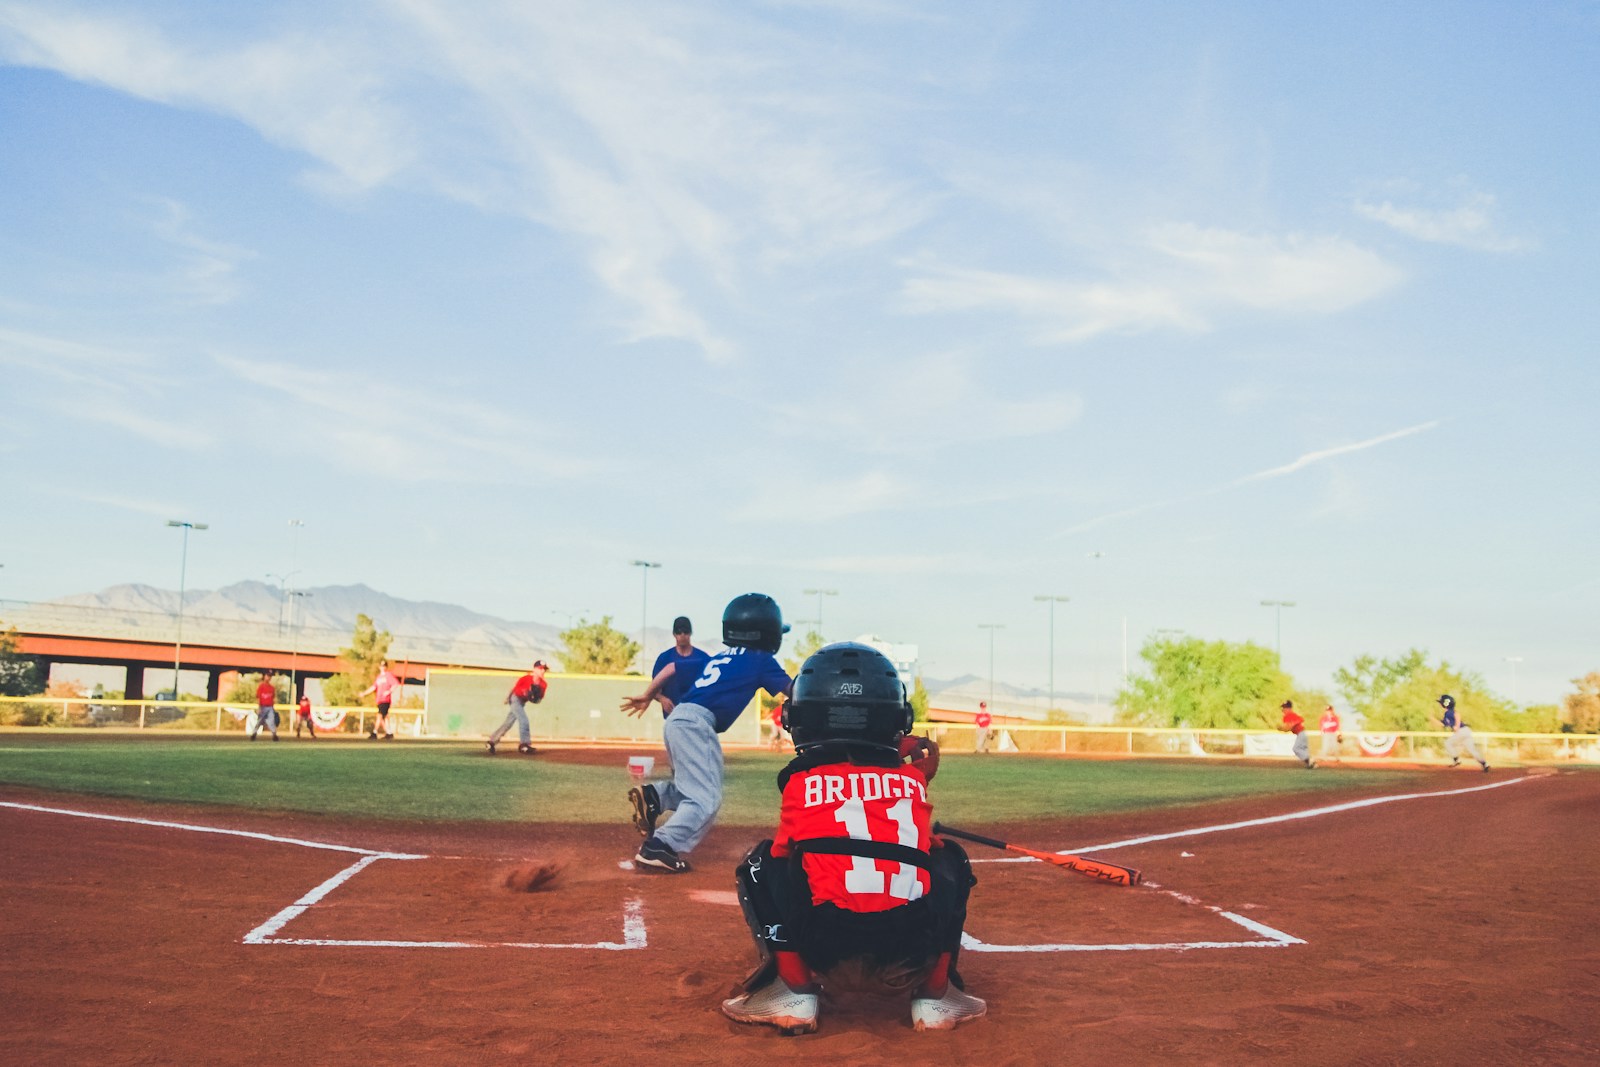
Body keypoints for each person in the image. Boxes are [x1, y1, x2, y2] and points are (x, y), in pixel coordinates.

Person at [720, 642, 985, 1035]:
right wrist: (909, 772)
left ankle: (794, 991)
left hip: (823, 950)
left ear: (803, 718)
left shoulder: (798, 782)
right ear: (897, 719)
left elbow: (784, 851)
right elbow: (907, 824)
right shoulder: (913, 783)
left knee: (762, 861)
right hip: (909, 951)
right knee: (951, 859)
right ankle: (934, 997)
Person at [621, 593, 793, 874]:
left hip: (678, 719)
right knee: (705, 798)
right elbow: (793, 691)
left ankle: (656, 797)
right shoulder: (760, 659)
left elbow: (671, 668)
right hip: (696, 724)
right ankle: (659, 847)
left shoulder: (723, 656)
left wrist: (647, 695)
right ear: (767, 633)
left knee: (693, 785)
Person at [648, 616, 711, 717]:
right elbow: (654, 689)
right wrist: (662, 699)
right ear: (674, 634)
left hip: (697, 716)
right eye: (679, 632)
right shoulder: (664, 658)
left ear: (690, 633)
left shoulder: (703, 658)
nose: (682, 635)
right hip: (673, 716)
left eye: (686, 632)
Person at [486, 661, 549, 755]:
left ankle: (491, 742)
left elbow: (537, 701)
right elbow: (514, 688)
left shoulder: (543, 684)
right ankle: (524, 745)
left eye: (544, 669)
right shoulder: (525, 678)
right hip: (515, 699)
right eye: (540, 668)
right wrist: (507, 698)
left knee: (508, 723)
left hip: (522, 702)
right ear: (534, 669)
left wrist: (533, 698)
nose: (543, 671)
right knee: (524, 720)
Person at [1437, 694, 1490, 772]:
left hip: (1461, 731)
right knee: (1472, 750)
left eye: (1441, 702)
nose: (1440, 704)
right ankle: (1485, 764)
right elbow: (1443, 724)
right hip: (1466, 731)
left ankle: (1456, 760)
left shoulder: (1449, 712)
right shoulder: (1447, 714)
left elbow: (1457, 714)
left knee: (1448, 743)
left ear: (1445, 703)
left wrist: (1457, 726)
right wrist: (1432, 719)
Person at [362, 659, 401, 740]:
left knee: (379, 716)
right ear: (379, 667)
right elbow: (373, 687)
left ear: (386, 667)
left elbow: (396, 684)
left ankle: (374, 732)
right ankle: (389, 733)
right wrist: (364, 693)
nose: (383, 667)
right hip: (379, 700)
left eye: (384, 665)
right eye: (381, 666)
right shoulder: (379, 677)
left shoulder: (388, 675)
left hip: (385, 700)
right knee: (385, 717)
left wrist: (389, 691)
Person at [1279, 699, 1313, 768]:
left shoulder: (1289, 715)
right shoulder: (1289, 716)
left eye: (1285, 707)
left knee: (1296, 749)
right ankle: (1311, 764)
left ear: (1289, 708)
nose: (1283, 709)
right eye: (1283, 707)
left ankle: (1311, 760)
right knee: (1303, 749)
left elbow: (1301, 719)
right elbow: (1289, 728)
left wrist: (1287, 726)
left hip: (1301, 733)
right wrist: (1283, 729)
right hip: (1302, 734)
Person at [251, 673, 280, 742]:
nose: (268, 677)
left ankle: (274, 735)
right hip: (263, 707)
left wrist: (273, 708)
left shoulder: (272, 688)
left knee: (271, 721)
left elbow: (273, 698)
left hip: (270, 707)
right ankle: (254, 734)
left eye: (270, 676)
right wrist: (259, 707)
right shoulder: (261, 686)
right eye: (267, 676)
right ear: (264, 677)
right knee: (259, 721)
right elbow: (258, 698)